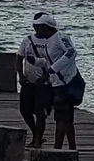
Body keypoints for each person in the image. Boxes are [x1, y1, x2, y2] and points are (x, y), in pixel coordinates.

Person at [18, 10, 83, 149]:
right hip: (56, 83)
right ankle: (72, 146)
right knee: (66, 118)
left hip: (66, 82)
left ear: (46, 27)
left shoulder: (61, 37)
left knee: (61, 117)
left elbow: (71, 52)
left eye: (39, 26)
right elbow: (47, 61)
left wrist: (54, 68)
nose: (36, 29)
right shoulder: (48, 41)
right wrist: (35, 61)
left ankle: (58, 148)